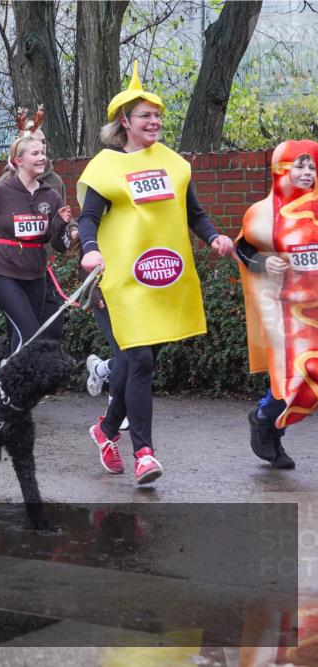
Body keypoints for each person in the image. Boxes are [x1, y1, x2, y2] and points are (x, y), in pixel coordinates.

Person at [78, 63, 233, 485]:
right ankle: (144, 453)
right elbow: (87, 219)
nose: (155, 121)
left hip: (164, 282)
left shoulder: (175, 165)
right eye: (145, 115)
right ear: (124, 121)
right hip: (116, 284)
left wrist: (214, 237)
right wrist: (89, 251)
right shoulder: (106, 166)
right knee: (139, 359)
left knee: (135, 366)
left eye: (158, 115)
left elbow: (194, 214)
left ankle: (106, 430)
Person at [236, 140, 318, 469]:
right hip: (285, 313)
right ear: (280, 169)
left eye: (312, 166)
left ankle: (266, 418)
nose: (307, 172)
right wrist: (263, 263)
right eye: (299, 165)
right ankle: (266, 420)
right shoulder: (263, 213)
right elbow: (244, 248)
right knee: (299, 376)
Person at [0, 127, 75, 355]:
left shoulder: (51, 196)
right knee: (30, 332)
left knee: (23, 336)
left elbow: (60, 245)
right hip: (4, 274)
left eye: (43, 152)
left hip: (36, 275)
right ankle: (11, 384)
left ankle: (9, 387)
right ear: (19, 160)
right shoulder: (0, 192)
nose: (42, 157)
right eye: (35, 153)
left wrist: (63, 226)